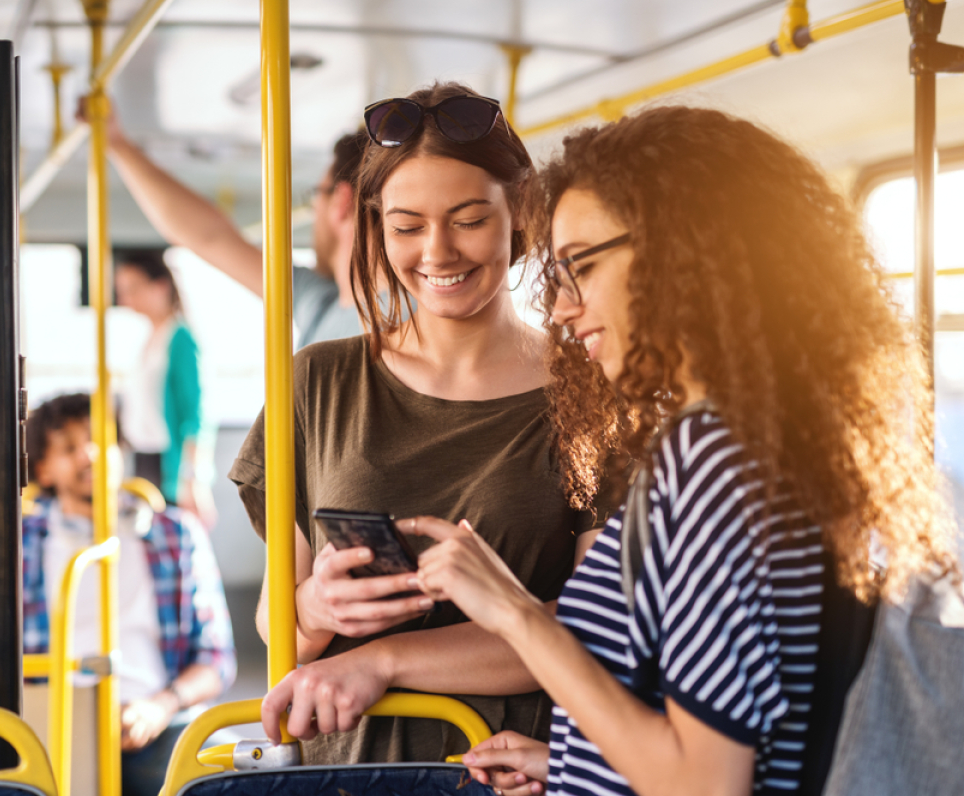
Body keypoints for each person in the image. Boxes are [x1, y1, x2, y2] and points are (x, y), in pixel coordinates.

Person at [398, 106, 959, 796]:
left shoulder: (712, 458)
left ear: (681, 252)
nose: (564, 309)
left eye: (580, 268)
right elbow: (750, 722)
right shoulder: (782, 438)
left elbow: (704, 784)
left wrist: (514, 613)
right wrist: (575, 764)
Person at [232, 82, 617, 765]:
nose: (437, 252)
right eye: (407, 226)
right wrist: (318, 610)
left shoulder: (591, 387)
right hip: (349, 768)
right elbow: (278, 625)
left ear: (521, 211)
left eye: (469, 219)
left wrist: (382, 661)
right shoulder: (314, 382)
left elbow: (591, 631)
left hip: (511, 767)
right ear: (377, 224)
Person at [22, 393, 236, 796]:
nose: (90, 454)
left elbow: (216, 659)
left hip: (157, 723)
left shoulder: (176, 534)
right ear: (43, 469)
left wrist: (160, 706)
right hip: (51, 727)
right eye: (69, 447)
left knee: (237, 780)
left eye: (99, 439)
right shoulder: (18, 544)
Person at [81, 98, 372, 347]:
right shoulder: (320, 301)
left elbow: (211, 237)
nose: (314, 212)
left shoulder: (407, 321)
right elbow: (209, 237)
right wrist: (116, 144)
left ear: (341, 202)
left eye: (316, 196)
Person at [115, 249, 215, 527]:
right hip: (142, 458)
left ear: (160, 286)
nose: (125, 299)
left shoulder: (180, 338)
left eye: (133, 289)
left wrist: (193, 478)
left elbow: (195, 413)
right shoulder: (151, 339)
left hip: (165, 464)